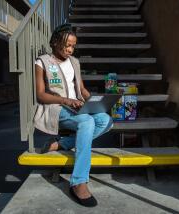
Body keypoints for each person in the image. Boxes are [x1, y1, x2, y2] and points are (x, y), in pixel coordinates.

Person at [33, 24, 113, 207]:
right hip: (56, 107)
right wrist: (66, 101)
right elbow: (41, 94)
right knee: (86, 121)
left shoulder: (75, 62)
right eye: (66, 45)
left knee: (106, 120)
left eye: (73, 46)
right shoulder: (42, 61)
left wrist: (96, 102)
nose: (70, 49)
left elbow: (82, 89)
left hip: (77, 106)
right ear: (55, 42)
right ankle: (78, 182)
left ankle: (62, 143)